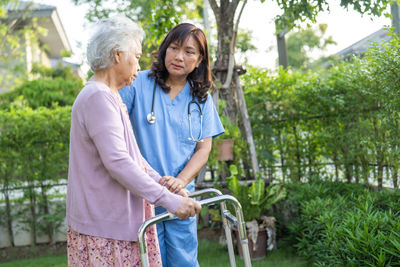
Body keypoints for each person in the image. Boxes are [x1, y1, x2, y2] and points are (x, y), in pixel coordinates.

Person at [66, 16, 201, 267]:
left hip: (114, 225)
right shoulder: (97, 97)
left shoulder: (111, 96)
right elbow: (118, 163)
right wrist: (169, 201)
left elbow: (134, 159)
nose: (139, 66)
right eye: (136, 56)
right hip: (104, 227)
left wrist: (166, 185)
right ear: (117, 55)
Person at [119, 23, 224, 267]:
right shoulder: (138, 83)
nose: (179, 57)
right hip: (141, 196)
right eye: (174, 48)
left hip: (180, 195)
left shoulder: (201, 100)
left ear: (199, 60)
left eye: (189, 52)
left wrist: (181, 181)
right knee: (146, 260)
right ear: (165, 50)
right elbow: (115, 131)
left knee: (184, 261)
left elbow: (203, 149)